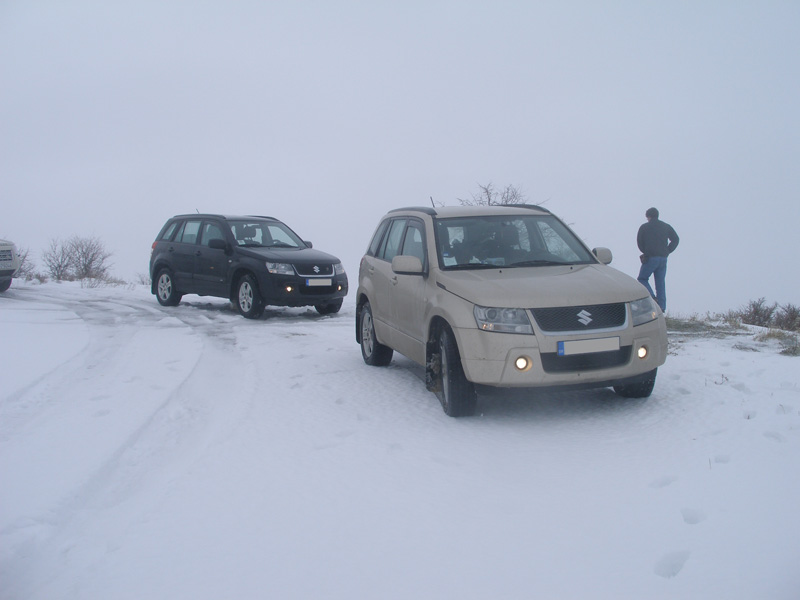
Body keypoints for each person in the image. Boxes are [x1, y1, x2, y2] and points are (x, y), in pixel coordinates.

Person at [637, 207, 679, 312]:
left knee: (642, 279)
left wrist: (646, 251)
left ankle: (652, 298)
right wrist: (668, 250)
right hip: (663, 259)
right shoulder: (666, 226)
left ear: (648, 216)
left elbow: (640, 242)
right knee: (660, 283)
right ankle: (662, 307)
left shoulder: (644, 227)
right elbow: (676, 239)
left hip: (651, 258)